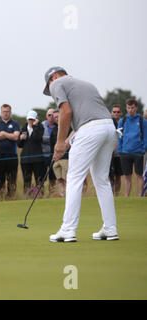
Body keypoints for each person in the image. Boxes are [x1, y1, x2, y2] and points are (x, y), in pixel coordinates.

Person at [44, 66, 119, 242]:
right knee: (101, 180)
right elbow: (83, 124)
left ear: (53, 77)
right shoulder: (87, 84)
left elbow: (66, 112)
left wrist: (59, 142)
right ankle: (110, 228)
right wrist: (64, 145)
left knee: (74, 178)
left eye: (49, 85)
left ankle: (68, 230)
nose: (51, 90)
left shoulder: (57, 83)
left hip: (91, 130)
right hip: (108, 128)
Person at [116, 98, 147, 197]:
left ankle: (140, 196)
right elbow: (119, 136)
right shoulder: (122, 121)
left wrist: (143, 149)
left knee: (139, 175)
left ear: (136, 108)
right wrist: (120, 149)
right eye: (128, 108)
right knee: (127, 177)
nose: (130, 110)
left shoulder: (142, 121)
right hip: (125, 153)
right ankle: (126, 197)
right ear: (126, 108)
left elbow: (146, 136)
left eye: (132, 108)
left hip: (138, 153)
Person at [0, 104, 20, 199]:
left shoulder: (15, 124)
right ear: (1, 112)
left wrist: (3, 133)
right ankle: (0, 198)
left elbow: (16, 137)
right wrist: (9, 135)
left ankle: (11, 198)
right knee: (0, 180)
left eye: (7, 111)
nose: (6, 113)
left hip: (12, 156)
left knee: (12, 180)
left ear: (10, 112)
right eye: (4, 111)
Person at [18, 110, 45, 198]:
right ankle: (27, 197)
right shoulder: (23, 128)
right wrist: (21, 138)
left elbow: (36, 138)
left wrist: (35, 126)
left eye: (33, 119)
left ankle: (40, 196)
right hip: (25, 160)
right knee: (26, 180)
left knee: (39, 179)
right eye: (29, 119)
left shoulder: (40, 127)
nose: (31, 121)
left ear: (36, 119)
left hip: (37, 159)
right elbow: (19, 145)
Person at [50, 110, 73, 198]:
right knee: (59, 179)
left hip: (66, 157)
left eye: (58, 116)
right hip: (56, 159)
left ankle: (69, 195)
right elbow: (52, 144)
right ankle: (62, 195)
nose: (57, 118)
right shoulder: (54, 130)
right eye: (55, 117)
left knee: (66, 178)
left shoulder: (69, 127)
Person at [41, 108, 57, 196]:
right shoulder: (42, 125)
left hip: (54, 155)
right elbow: (41, 138)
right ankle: (42, 193)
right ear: (46, 116)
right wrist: (52, 140)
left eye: (53, 115)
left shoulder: (58, 125)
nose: (51, 117)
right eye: (49, 115)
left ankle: (52, 194)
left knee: (53, 177)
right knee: (42, 177)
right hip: (43, 155)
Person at [109, 104, 123, 196]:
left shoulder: (123, 122)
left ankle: (117, 195)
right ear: (111, 113)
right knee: (110, 175)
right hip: (109, 152)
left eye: (118, 112)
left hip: (120, 152)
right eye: (114, 112)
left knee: (118, 175)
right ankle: (110, 194)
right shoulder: (109, 123)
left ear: (121, 113)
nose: (116, 113)